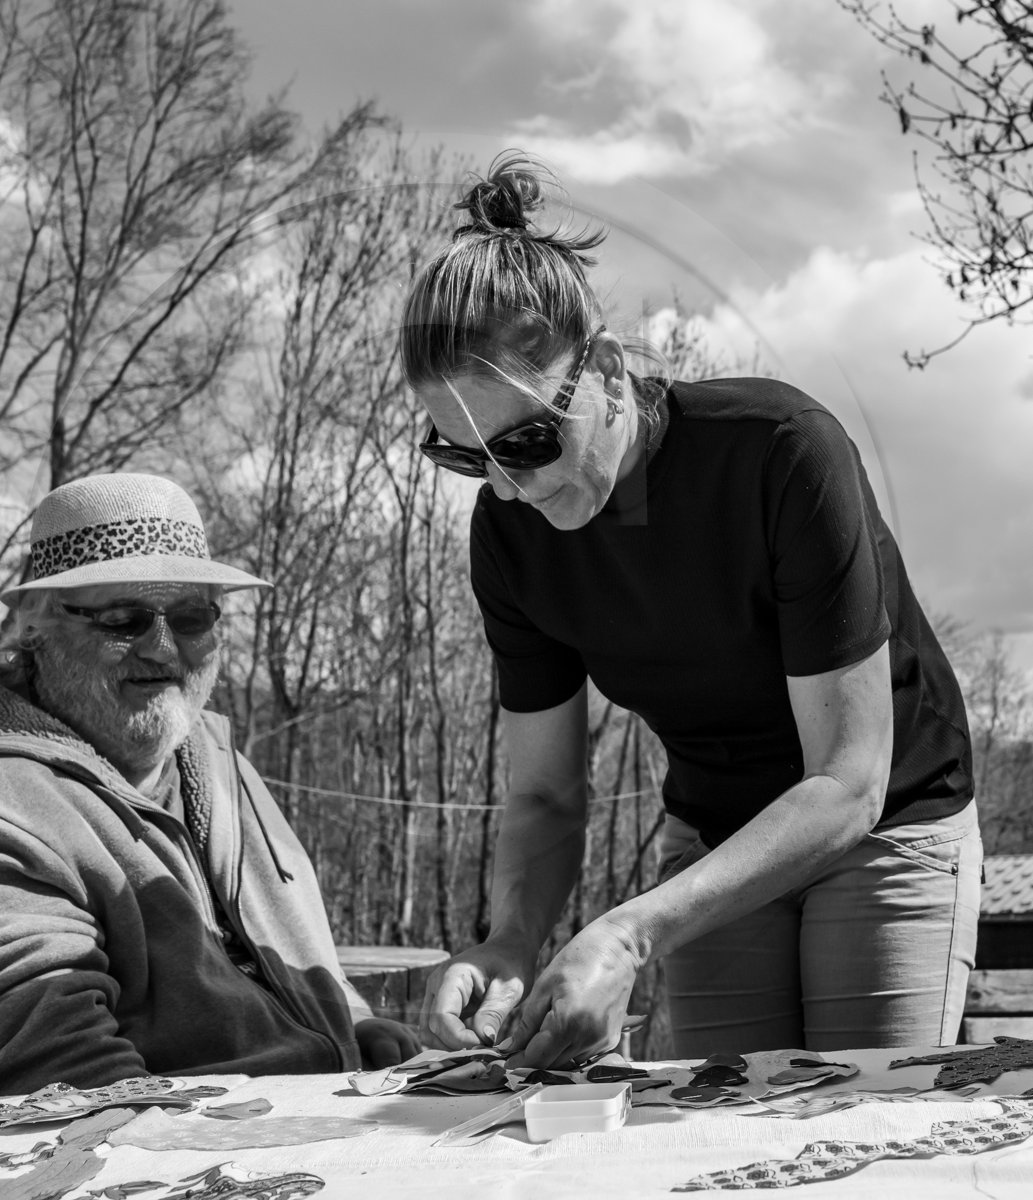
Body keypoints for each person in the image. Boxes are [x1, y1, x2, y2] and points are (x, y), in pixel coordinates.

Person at [406, 154, 979, 1067]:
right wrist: (510, 940)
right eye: (466, 458)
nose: (510, 489)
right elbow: (548, 794)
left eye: (527, 441)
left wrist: (630, 933)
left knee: (863, 1130)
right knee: (723, 1130)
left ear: (598, 365)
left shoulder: (782, 453)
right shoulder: (510, 539)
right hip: (716, 833)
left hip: (886, 818)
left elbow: (846, 780)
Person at [0, 473, 418, 1107]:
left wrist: (350, 1024)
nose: (164, 649)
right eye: (124, 619)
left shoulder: (214, 762)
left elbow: (284, 941)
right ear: (34, 627)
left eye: (192, 616)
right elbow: (57, 1091)